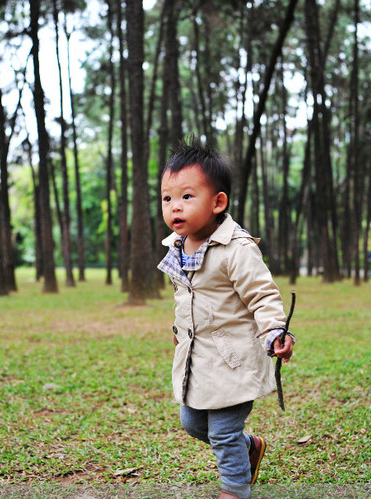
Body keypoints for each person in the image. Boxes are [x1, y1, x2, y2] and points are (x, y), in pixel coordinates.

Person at [157, 141, 295, 499]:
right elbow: (184, 296)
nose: (175, 207)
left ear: (218, 202)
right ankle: (248, 447)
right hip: (198, 358)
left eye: (187, 196)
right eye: (167, 199)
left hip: (233, 359)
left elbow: (263, 295)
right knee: (192, 422)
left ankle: (235, 489)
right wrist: (179, 332)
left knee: (221, 432)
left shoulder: (236, 248)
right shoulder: (178, 245)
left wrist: (276, 331)